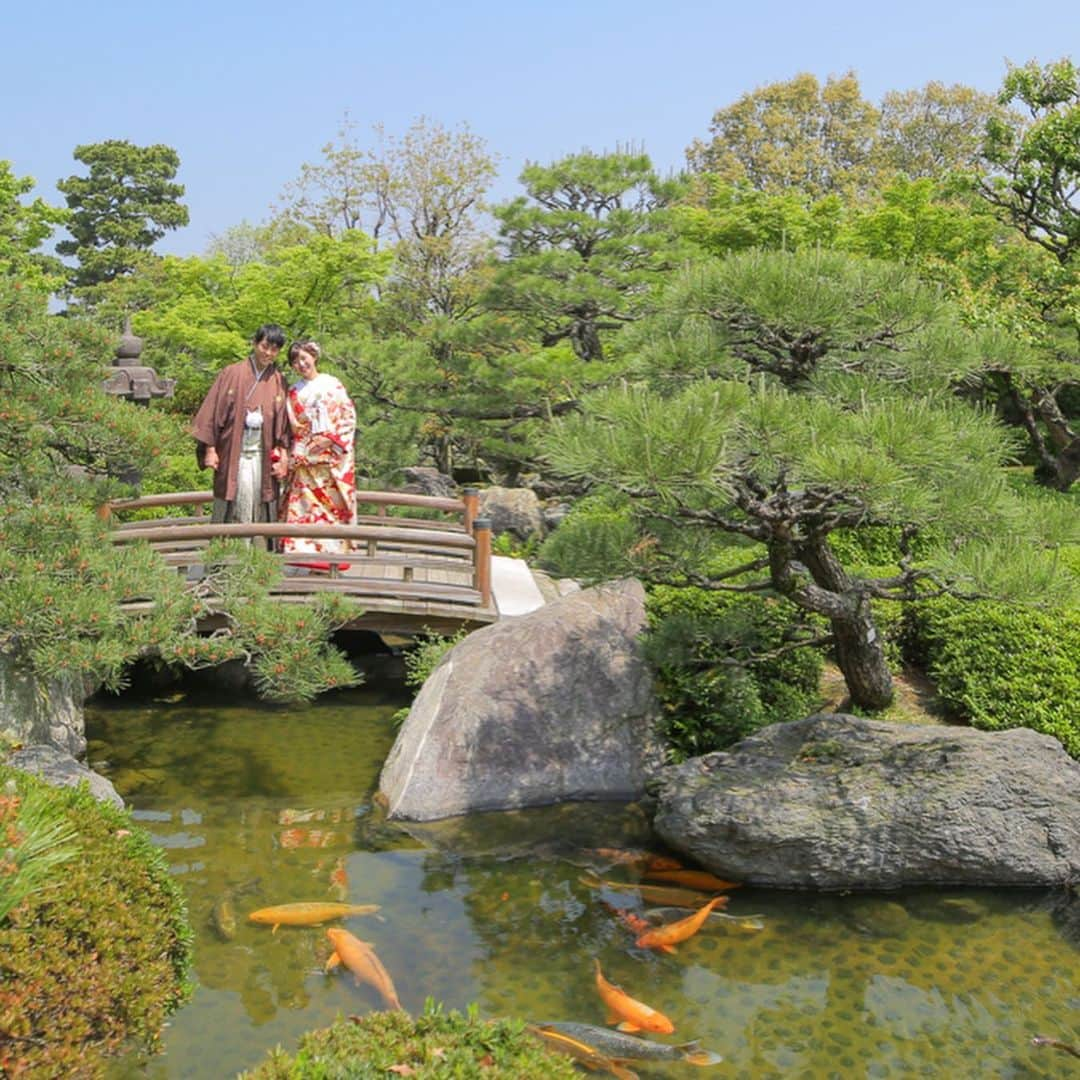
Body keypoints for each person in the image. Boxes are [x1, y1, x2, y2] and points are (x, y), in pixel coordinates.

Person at [191, 324, 291, 527]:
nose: (268, 353)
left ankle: (260, 552)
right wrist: (210, 449)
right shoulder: (231, 373)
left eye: (274, 349)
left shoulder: (279, 381)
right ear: (255, 343)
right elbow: (212, 412)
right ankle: (229, 553)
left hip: (263, 454)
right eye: (265, 346)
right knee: (237, 496)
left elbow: (284, 426)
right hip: (234, 451)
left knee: (263, 499)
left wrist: (284, 458)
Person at [279, 340, 358, 566]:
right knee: (304, 507)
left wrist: (329, 440)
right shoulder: (293, 391)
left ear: (313, 356)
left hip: (331, 458)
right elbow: (292, 426)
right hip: (306, 457)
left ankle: (332, 558)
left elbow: (347, 417)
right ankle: (303, 557)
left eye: (304, 358)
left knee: (332, 509)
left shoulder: (333, 384)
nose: (301, 364)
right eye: (295, 361)